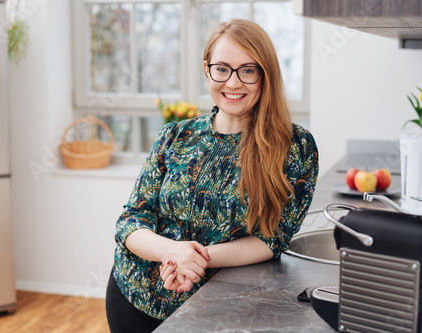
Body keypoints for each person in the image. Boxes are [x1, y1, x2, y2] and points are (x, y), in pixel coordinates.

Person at [105, 19, 318, 333]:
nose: (233, 83)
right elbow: (132, 220)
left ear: (265, 75)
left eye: (248, 70)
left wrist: (194, 259)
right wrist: (172, 252)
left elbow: (271, 239)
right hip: (132, 298)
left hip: (218, 311)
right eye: (222, 68)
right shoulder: (174, 135)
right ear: (207, 70)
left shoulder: (295, 147)